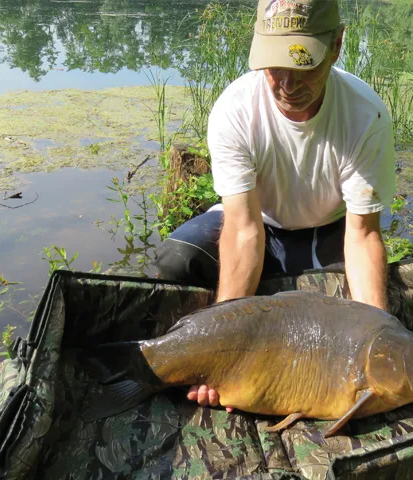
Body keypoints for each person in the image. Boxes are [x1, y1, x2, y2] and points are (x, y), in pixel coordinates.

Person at [151, 0, 396, 411]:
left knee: (356, 301)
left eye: (304, 65)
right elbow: (244, 229)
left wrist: (377, 335)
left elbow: (363, 233)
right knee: (176, 259)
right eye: (273, 65)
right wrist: (223, 346)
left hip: (327, 233)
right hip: (257, 225)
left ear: (336, 45)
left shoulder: (365, 114)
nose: (286, 83)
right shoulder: (235, 109)